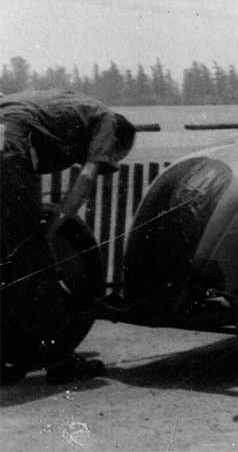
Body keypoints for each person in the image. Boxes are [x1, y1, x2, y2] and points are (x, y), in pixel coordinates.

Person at [1, 89, 136, 384]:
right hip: (9, 148)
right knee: (33, 263)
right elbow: (87, 176)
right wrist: (55, 225)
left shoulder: (70, 104)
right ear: (118, 142)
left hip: (8, 137)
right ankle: (61, 362)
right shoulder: (109, 121)